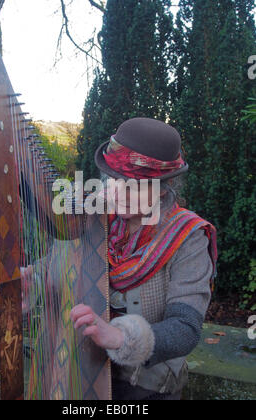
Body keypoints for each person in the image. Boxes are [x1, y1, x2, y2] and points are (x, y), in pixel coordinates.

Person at [70, 117, 217, 400]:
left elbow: (185, 328)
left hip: (148, 387)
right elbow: (64, 264)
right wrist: (35, 281)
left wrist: (121, 338)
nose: (119, 193)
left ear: (163, 187)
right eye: (114, 180)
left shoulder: (189, 236)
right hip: (85, 366)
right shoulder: (96, 212)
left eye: (135, 185)